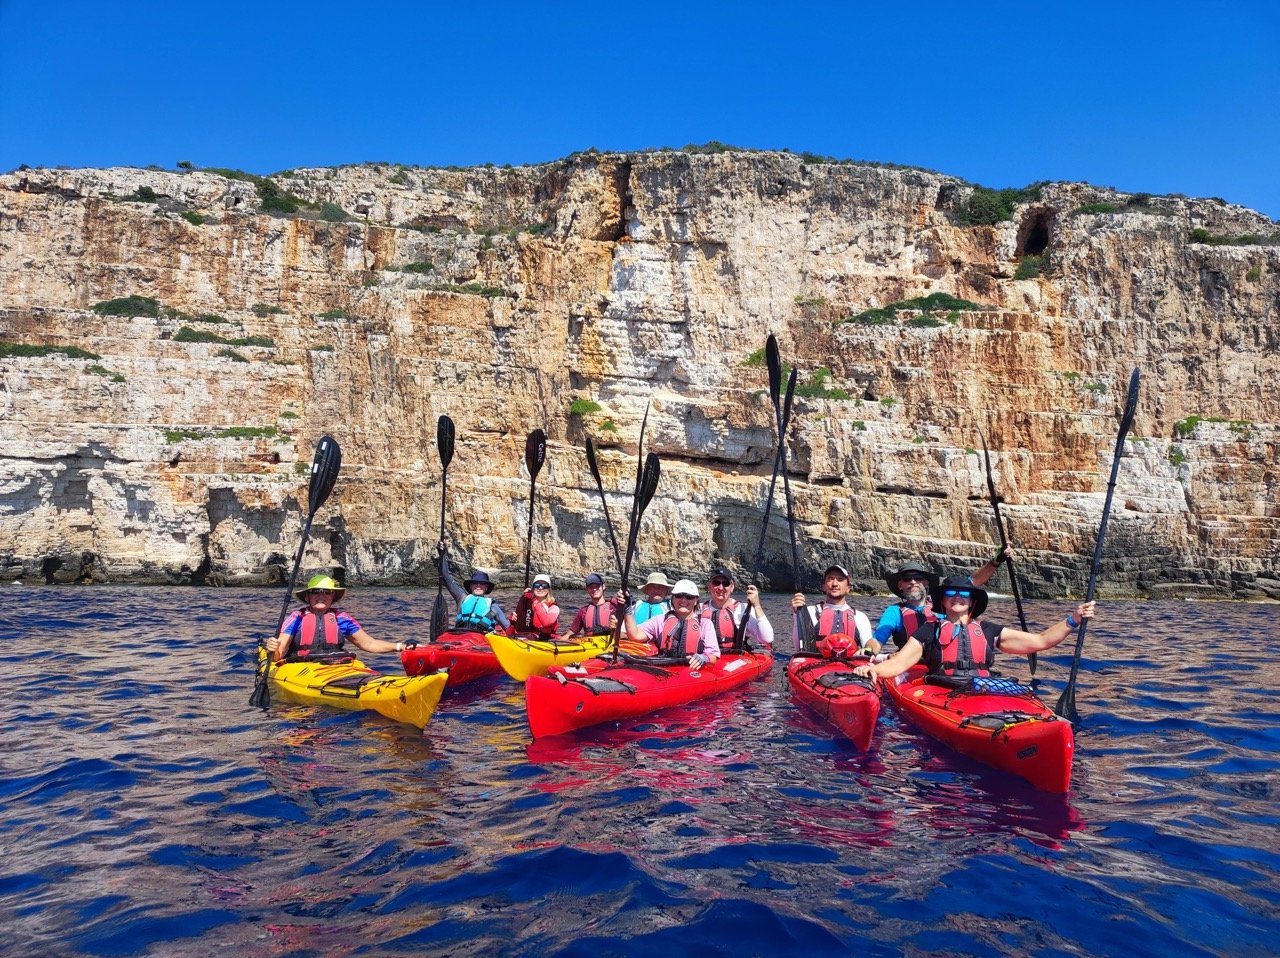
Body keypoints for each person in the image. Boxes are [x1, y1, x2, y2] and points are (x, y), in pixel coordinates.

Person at [854, 575, 1096, 682]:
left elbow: (1041, 641)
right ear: (942, 600)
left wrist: (1073, 619)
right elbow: (899, 664)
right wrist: (872, 669)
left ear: (972, 601)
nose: (957, 597)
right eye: (950, 593)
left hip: (981, 687)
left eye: (964, 594)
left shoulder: (989, 630)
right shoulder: (928, 631)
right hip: (942, 689)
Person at [872, 551, 1007, 650]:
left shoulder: (944, 604)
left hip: (940, 664)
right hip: (909, 665)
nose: (913, 582)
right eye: (907, 579)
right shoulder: (894, 612)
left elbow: (971, 582)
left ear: (925, 583)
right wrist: (869, 650)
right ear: (900, 585)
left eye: (918, 578)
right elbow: (878, 638)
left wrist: (996, 561)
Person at [267, 574, 408, 663]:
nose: (321, 596)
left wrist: (400, 647)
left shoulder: (342, 619)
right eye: (315, 592)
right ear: (307, 597)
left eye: (326, 592)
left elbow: (369, 644)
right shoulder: (296, 618)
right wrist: (273, 649)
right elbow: (278, 656)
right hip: (302, 666)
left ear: (333, 596)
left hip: (336, 664)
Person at [623, 578, 720, 668]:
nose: (683, 600)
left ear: (695, 601)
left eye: (689, 597)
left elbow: (713, 656)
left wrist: (704, 658)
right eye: (679, 596)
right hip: (664, 668)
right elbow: (635, 635)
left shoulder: (705, 624)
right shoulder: (660, 621)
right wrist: (627, 610)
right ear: (672, 599)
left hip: (692, 670)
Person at [791, 565, 876, 653]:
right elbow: (799, 648)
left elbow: (868, 647)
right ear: (823, 586)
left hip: (850, 665)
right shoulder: (809, 612)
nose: (835, 584)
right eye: (830, 579)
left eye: (840, 580)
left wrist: (868, 650)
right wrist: (797, 614)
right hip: (815, 664)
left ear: (848, 588)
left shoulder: (860, 617)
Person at [438, 541, 511, 633]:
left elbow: (508, 628)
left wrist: (514, 620)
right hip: (458, 635)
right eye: (475, 583)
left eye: (482, 584)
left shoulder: (493, 606)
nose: (478, 586)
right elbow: (446, 577)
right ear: (471, 586)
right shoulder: (462, 598)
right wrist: (442, 554)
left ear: (486, 587)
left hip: (480, 641)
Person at [701, 566, 774, 651]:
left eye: (726, 583)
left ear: (732, 587)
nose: (721, 588)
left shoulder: (742, 609)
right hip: (705, 658)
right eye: (716, 583)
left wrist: (757, 605)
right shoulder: (699, 609)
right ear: (709, 586)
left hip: (735, 657)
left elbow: (767, 639)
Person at [567, 572, 621, 637]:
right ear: (587, 589)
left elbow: (627, 631)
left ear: (603, 586)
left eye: (597, 586)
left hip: (609, 642)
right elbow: (572, 631)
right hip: (590, 644)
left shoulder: (614, 607)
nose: (594, 589)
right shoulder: (583, 611)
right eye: (591, 587)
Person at [513, 573, 561, 638]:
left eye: (544, 586)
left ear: (549, 589)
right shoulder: (527, 601)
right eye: (537, 585)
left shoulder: (554, 607)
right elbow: (518, 626)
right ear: (533, 588)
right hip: (526, 637)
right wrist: (512, 621)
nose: (540, 588)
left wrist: (536, 603)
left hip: (545, 640)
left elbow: (547, 622)